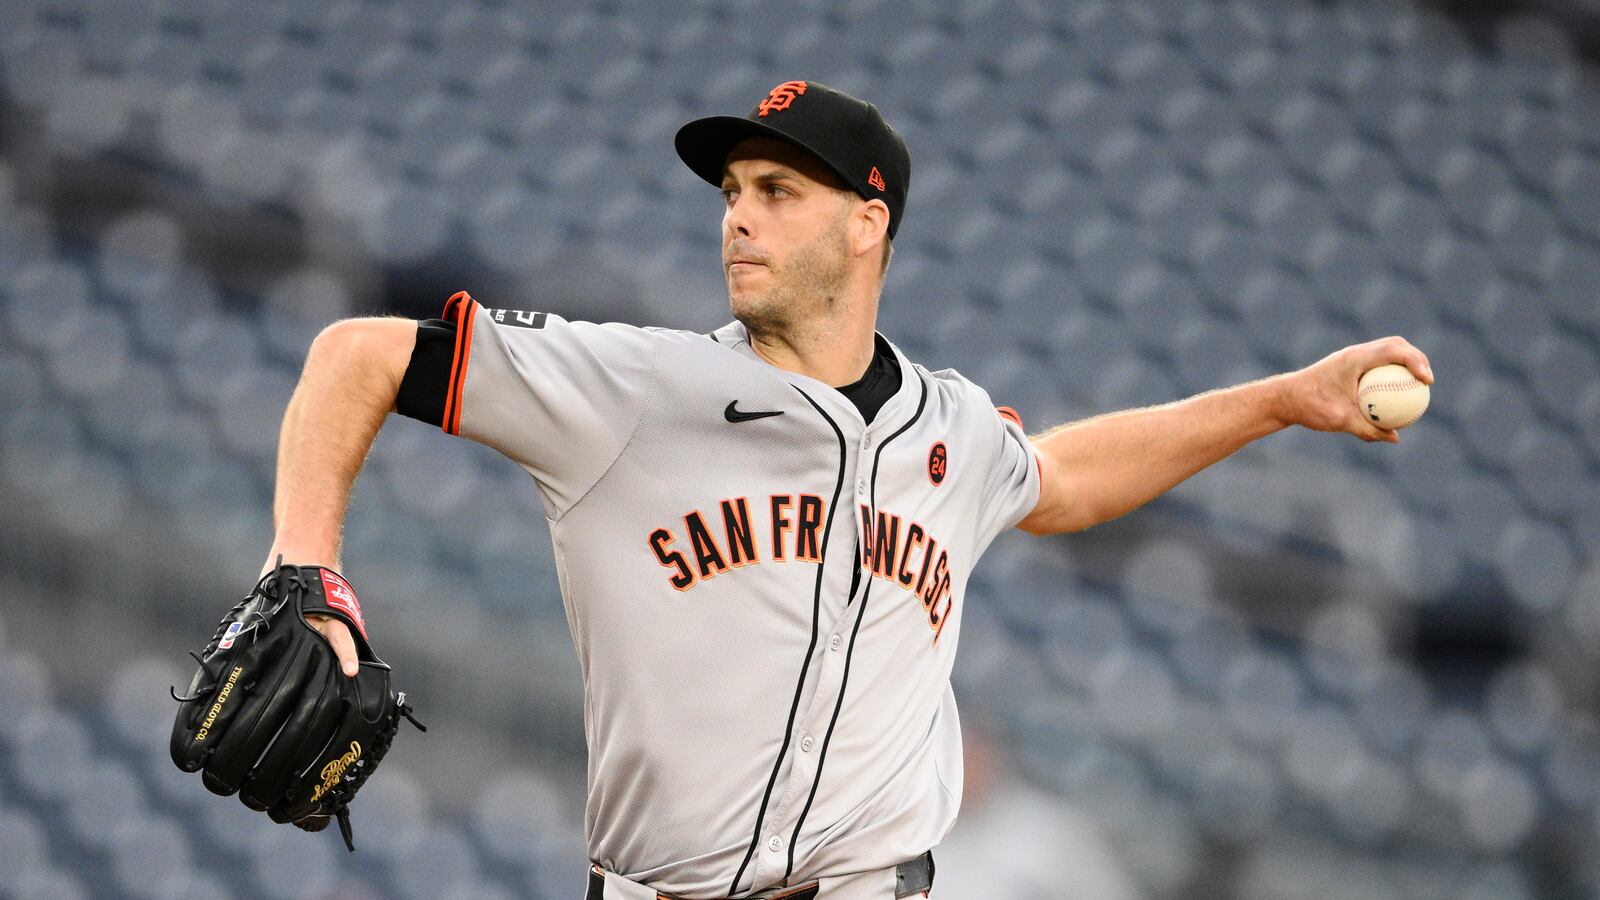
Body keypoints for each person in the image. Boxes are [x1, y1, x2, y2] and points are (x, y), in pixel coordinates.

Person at [266, 81, 1432, 899]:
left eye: (778, 189)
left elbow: (1067, 477)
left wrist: (1284, 399)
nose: (737, 214)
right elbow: (355, 357)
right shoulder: (637, 387)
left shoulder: (955, 431)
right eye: (732, 188)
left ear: (867, 224)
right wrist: (306, 572)